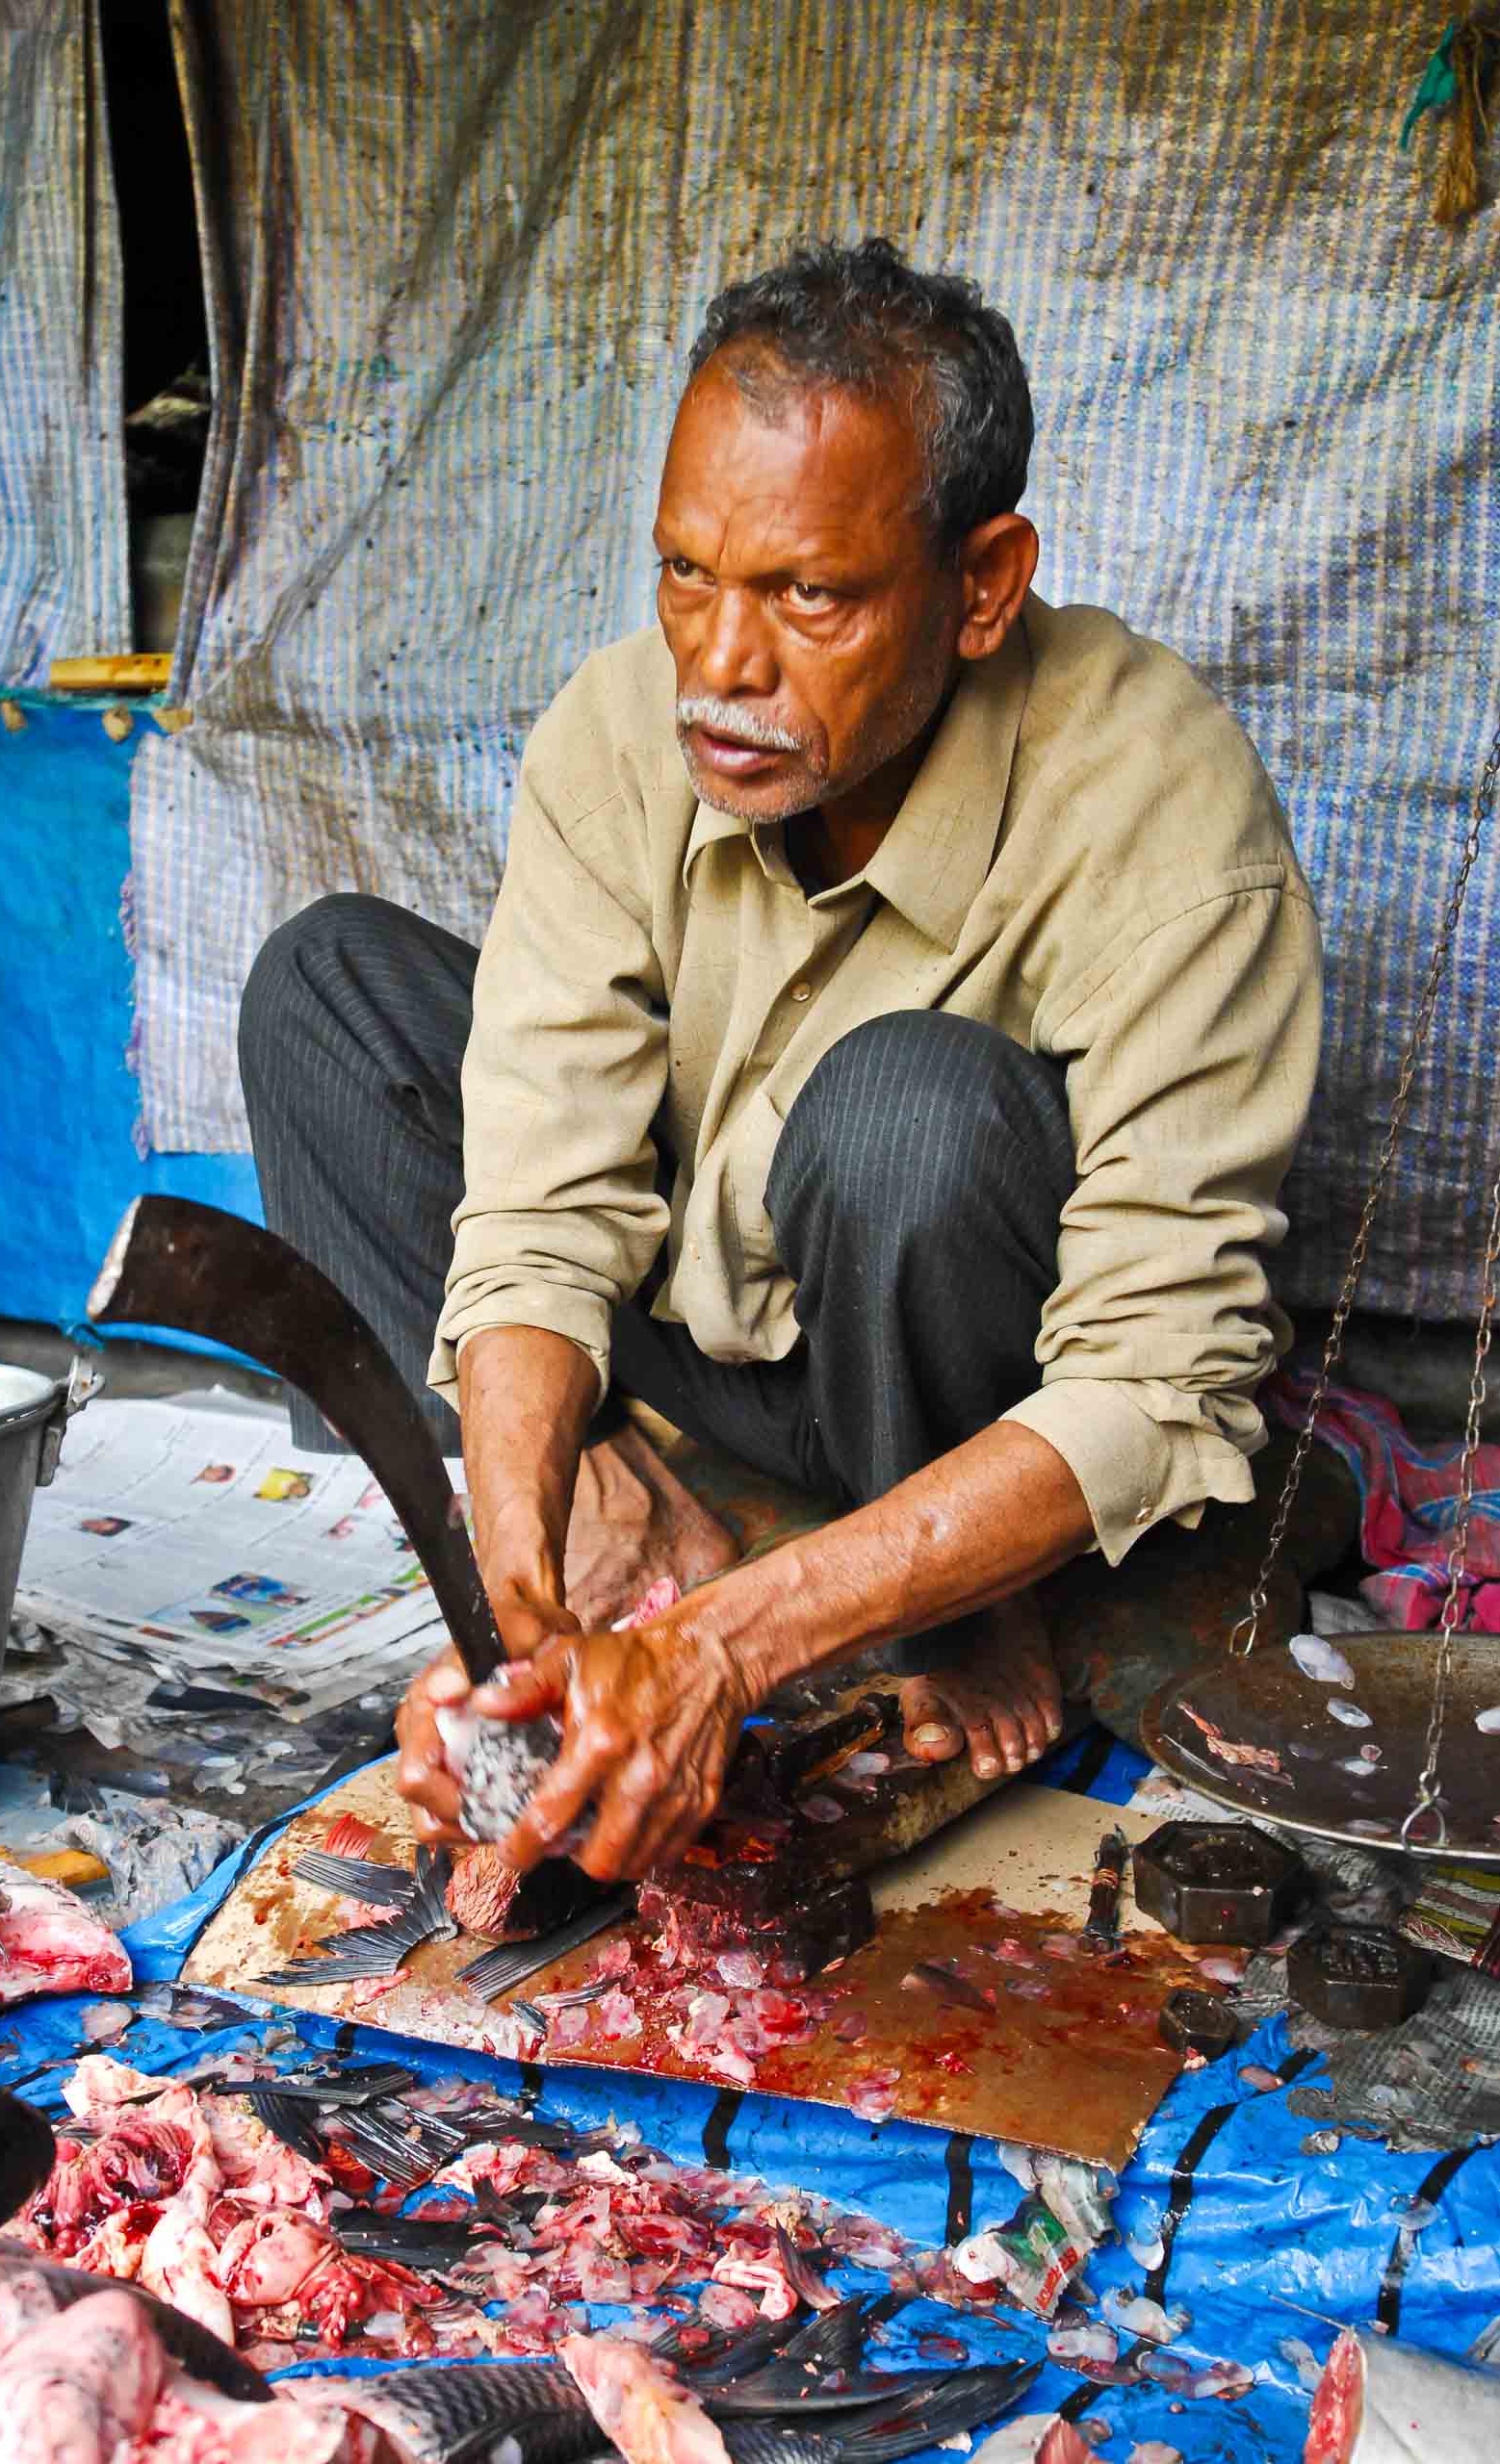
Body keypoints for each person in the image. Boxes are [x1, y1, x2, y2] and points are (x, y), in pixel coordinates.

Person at [239, 239, 1323, 1886]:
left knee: (909, 1107)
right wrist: (520, 1579)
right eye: (686, 575)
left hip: (954, 1381)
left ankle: (960, 1603)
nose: (718, 669)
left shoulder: (1158, 806)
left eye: (807, 595)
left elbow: (1159, 1379)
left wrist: (720, 1655)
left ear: (980, 584)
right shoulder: (622, 733)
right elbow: (540, 1202)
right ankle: (638, 1517)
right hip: (705, 1338)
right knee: (324, 987)